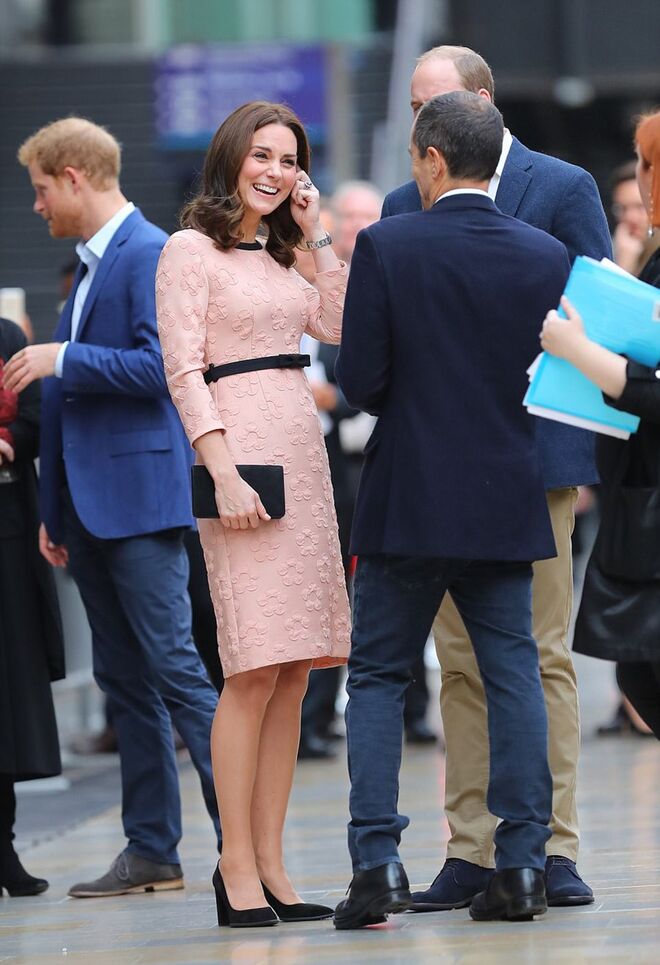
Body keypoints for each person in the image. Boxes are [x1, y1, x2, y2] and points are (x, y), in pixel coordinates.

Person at [381, 44, 612, 910]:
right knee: (459, 663)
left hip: (534, 457)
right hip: (443, 470)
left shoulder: (562, 187)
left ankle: (552, 845)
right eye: (412, 107)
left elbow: (595, 315)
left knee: (542, 655)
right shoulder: (406, 200)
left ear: (482, 98)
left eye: (432, 102)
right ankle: (472, 849)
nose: (420, 122)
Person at [334, 90, 571, 929]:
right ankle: (524, 863)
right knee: (514, 674)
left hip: (408, 495)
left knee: (377, 674)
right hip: (505, 494)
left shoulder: (389, 244)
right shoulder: (545, 253)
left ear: (432, 159)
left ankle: (377, 863)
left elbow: (360, 383)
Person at [6, 117, 222, 898]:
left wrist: (62, 355)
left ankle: (244, 842)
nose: (37, 206)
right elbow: (72, 409)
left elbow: (164, 367)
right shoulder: (99, 263)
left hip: (138, 505)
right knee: (127, 681)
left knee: (176, 671)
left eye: (41, 190)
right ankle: (152, 847)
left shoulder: (149, 251)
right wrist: (55, 509)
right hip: (94, 511)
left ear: (74, 177)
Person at [155, 100, 350, 927]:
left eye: (290, 159)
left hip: (303, 458)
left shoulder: (282, 252)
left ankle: (272, 861)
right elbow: (182, 369)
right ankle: (233, 861)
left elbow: (337, 322)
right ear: (232, 155)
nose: (275, 171)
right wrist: (222, 469)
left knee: (296, 668)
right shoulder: (187, 251)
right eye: (262, 155)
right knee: (251, 667)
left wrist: (318, 232)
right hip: (240, 462)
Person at [542, 111, 660, 738]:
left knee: (643, 669)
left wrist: (577, 349)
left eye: (646, 164)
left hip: (649, 500)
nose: (640, 180)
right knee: (639, 670)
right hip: (638, 495)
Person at [0, 316, 64, 897]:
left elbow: (40, 419)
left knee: (8, 699)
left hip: (8, 537)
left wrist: (8, 442)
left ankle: (4, 847)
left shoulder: (7, 337)